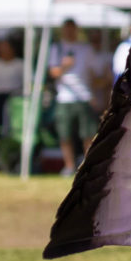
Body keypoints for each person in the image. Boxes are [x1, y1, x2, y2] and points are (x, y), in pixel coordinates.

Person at [47, 17, 108, 175]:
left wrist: (97, 93)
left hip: (84, 97)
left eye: (72, 29)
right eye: (67, 29)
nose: (69, 32)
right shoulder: (57, 48)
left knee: (88, 134)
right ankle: (69, 166)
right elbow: (53, 73)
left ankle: (87, 166)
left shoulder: (86, 49)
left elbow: (93, 73)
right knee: (64, 134)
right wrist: (64, 66)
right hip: (64, 98)